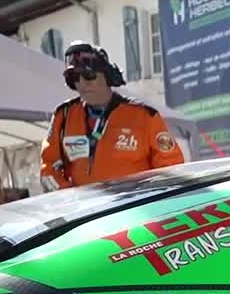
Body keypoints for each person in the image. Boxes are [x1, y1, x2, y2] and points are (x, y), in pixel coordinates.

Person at [40, 41, 185, 190]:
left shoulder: (145, 116)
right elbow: (48, 169)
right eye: (75, 77)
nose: (82, 83)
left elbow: (172, 168)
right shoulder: (63, 116)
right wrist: (71, 197)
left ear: (107, 76)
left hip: (136, 202)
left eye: (89, 75)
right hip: (83, 204)